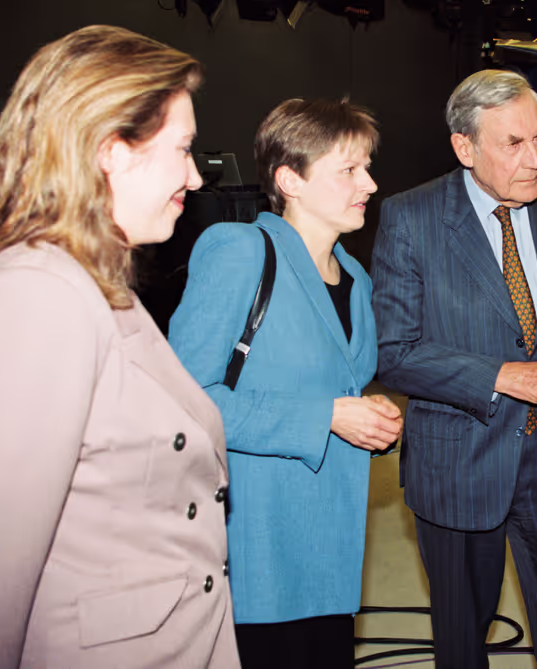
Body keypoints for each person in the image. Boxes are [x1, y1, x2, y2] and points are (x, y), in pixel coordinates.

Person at [0, 25, 239, 668]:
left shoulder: (93, 283)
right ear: (110, 151)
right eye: (182, 149)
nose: (194, 179)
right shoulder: (34, 299)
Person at [371, 69, 537, 668]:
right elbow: (393, 351)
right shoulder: (411, 218)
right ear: (464, 147)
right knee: (462, 638)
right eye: (513, 144)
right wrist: (503, 376)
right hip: (459, 463)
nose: (533, 159)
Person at [168, 98, 403, 669]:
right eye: (348, 170)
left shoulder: (356, 278)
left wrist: (369, 416)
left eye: (368, 167)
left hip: (332, 549)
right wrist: (324, 416)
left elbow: (341, 384)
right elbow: (184, 400)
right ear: (289, 179)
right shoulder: (240, 252)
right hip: (256, 546)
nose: (369, 184)